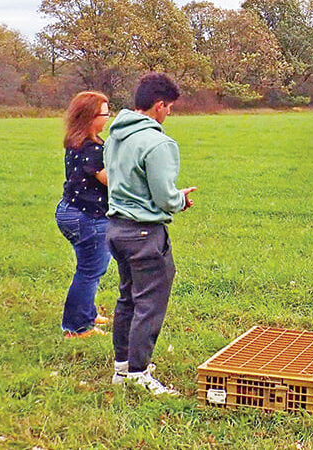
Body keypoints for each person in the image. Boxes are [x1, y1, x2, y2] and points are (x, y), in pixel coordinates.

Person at [104, 73, 197, 395]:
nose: (169, 113)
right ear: (159, 106)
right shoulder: (159, 143)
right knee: (149, 304)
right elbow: (164, 196)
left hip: (116, 229)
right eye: (169, 107)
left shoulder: (116, 136)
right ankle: (139, 372)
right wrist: (180, 199)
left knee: (127, 298)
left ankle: (122, 367)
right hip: (144, 234)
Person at [55, 91, 113, 339]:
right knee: (91, 270)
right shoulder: (91, 149)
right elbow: (109, 181)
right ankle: (77, 327)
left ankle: (86, 312)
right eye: (105, 113)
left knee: (88, 266)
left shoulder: (76, 141)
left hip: (69, 212)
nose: (109, 117)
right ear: (91, 117)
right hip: (86, 217)